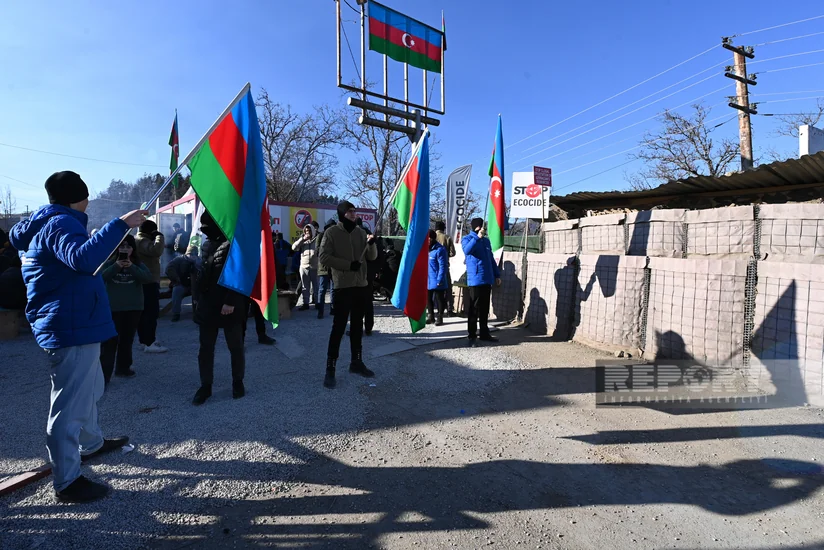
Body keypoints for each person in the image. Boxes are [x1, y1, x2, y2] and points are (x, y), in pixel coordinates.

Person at [10, 170, 143, 503]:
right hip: (71, 327)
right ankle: (67, 481)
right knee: (69, 407)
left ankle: (92, 443)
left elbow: (76, 261)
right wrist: (121, 224)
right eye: (86, 195)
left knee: (92, 388)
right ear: (78, 197)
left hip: (74, 323)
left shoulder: (47, 223)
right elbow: (83, 260)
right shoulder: (61, 224)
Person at [190, 211, 247, 405]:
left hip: (229, 306)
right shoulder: (206, 245)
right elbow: (200, 274)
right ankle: (205, 386)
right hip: (207, 305)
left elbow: (238, 275)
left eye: (206, 226)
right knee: (205, 348)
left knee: (235, 346)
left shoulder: (233, 244)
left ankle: (238, 382)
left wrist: (231, 301)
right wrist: (196, 299)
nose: (203, 230)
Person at [320, 200, 377, 389]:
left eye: (354, 211)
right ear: (342, 214)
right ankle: (330, 368)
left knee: (356, 327)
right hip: (343, 286)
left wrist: (372, 244)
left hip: (361, 285)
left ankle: (356, 362)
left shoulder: (361, 232)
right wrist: (347, 265)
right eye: (350, 212)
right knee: (338, 327)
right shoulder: (331, 233)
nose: (354, 214)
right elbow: (324, 257)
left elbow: (372, 257)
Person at [100, 235, 153, 384]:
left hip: (134, 307)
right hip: (113, 308)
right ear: (116, 248)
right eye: (121, 246)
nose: (124, 249)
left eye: (128, 246)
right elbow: (101, 278)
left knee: (127, 340)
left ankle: (123, 368)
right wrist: (117, 266)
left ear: (132, 249)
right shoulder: (109, 263)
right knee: (110, 342)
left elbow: (147, 278)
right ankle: (104, 374)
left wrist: (131, 266)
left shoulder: (138, 263)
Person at [461, 218, 502, 347]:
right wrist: (476, 238)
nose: (481, 229)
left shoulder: (486, 241)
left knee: (484, 308)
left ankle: (484, 333)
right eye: (480, 226)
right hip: (475, 279)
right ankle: (472, 335)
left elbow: (491, 259)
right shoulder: (467, 239)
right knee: (474, 309)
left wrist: (496, 274)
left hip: (487, 278)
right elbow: (467, 251)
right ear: (476, 227)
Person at [135, 220, 168, 353]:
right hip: (148, 282)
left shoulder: (139, 239)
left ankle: (144, 341)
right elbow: (156, 251)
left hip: (145, 281)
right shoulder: (142, 240)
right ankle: (149, 342)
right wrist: (160, 236)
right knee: (151, 313)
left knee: (144, 313)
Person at [165, 245, 201, 322]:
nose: (192, 256)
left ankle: (199, 312)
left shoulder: (198, 261)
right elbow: (169, 269)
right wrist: (176, 279)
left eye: (194, 255)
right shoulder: (178, 260)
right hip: (181, 284)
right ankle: (176, 313)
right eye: (190, 254)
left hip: (195, 285)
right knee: (177, 291)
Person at [292, 224, 318, 310]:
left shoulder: (317, 240)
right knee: (305, 286)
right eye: (306, 231)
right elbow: (294, 248)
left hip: (315, 267)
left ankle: (317, 303)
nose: (308, 233)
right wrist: (302, 239)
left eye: (309, 231)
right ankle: (305, 303)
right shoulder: (302, 241)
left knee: (316, 286)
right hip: (304, 267)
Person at [427, 229, 449, 326]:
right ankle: (430, 316)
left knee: (439, 299)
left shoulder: (440, 250)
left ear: (432, 238)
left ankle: (440, 317)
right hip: (427, 279)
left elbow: (443, 266)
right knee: (428, 299)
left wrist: (440, 279)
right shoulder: (425, 249)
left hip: (437, 279)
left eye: (428, 238)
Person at [435, 220, 456, 316]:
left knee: (432, 288)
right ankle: (449, 309)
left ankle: (433, 309)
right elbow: (453, 253)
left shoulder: (431, 237)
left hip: (433, 266)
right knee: (448, 289)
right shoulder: (447, 238)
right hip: (444, 266)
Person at [316, 220, 336, 319]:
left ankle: (333, 309)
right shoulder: (321, 236)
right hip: (323, 267)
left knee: (333, 289)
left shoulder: (337, 237)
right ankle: (320, 310)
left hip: (334, 267)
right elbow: (317, 252)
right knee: (322, 289)